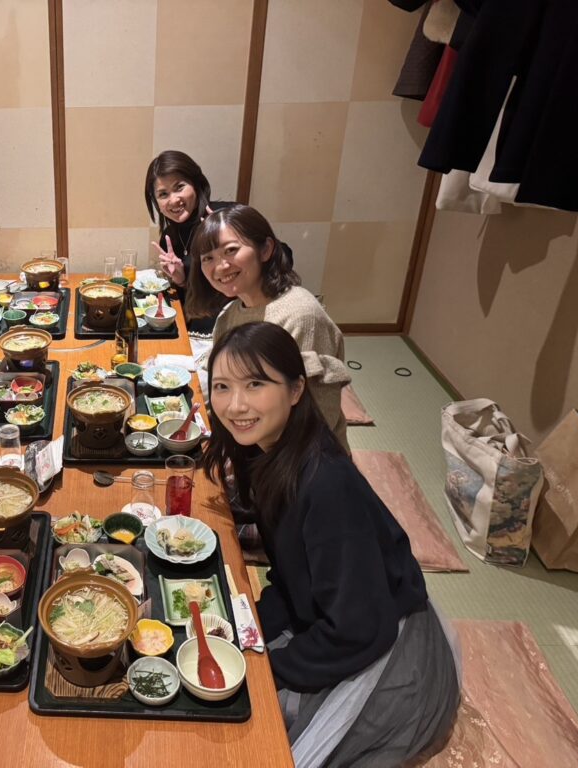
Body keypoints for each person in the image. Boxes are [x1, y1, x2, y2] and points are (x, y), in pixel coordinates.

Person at [204, 322, 460, 767]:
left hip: (380, 645)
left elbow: (357, 629)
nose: (235, 404)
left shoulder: (326, 485)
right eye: (222, 386)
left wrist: (266, 669)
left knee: (252, 726)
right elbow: (291, 574)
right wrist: (246, 629)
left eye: (255, 384)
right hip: (338, 610)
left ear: (296, 389)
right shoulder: (270, 451)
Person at [188, 204, 350, 451]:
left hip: (301, 459)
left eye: (231, 250)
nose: (220, 266)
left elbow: (318, 414)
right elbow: (223, 389)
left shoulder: (301, 315)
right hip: (246, 443)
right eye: (208, 258)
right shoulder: (228, 316)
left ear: (265, 249)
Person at [144, 150, 231, 333]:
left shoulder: (223, 217)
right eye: (163, 194)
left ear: (196, 184)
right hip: (194, 330)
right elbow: (191, 299)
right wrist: (182, 280)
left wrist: (229, 241)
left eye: (179, 187)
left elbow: (281, 254)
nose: (173, 200)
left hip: (233, 326)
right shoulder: (170, 236)